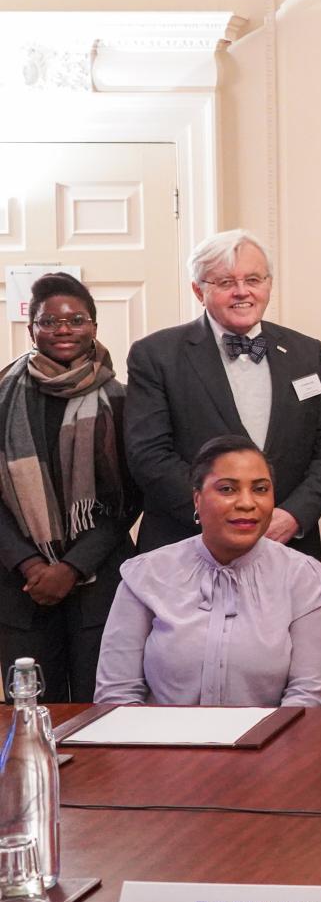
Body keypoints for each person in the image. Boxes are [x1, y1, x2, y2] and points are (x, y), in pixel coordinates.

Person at [125, 229, 321, 557]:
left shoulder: (306, 352)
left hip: (287, 547)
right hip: (188, 547)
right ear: (198, 291)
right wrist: (222, 517)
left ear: (269, 284)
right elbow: (149, 455)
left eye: (254, 280)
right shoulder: (156, 355)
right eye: (226, 282)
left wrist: (295, 514)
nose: (242, 292)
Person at [95, 435, 321, 706]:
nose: (247, 503)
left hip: (271, 744)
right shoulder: (146, 575)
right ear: (197, 499)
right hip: (162, 744)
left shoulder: (303, 577)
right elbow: (116, 694)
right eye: (228, 489)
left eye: (260, 489)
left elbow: (308, 696)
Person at [0, 273, 138, 701]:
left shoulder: (122, 400)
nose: (63, 330)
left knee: (102, 710)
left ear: (94, 326)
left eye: (76, 320)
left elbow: (131, 496)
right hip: (19, 586)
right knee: (29, 711)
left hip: (100, 583)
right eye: (49, 321)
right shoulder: (2, 397)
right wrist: (30, 565)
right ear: (31, 329)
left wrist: (72, 566)